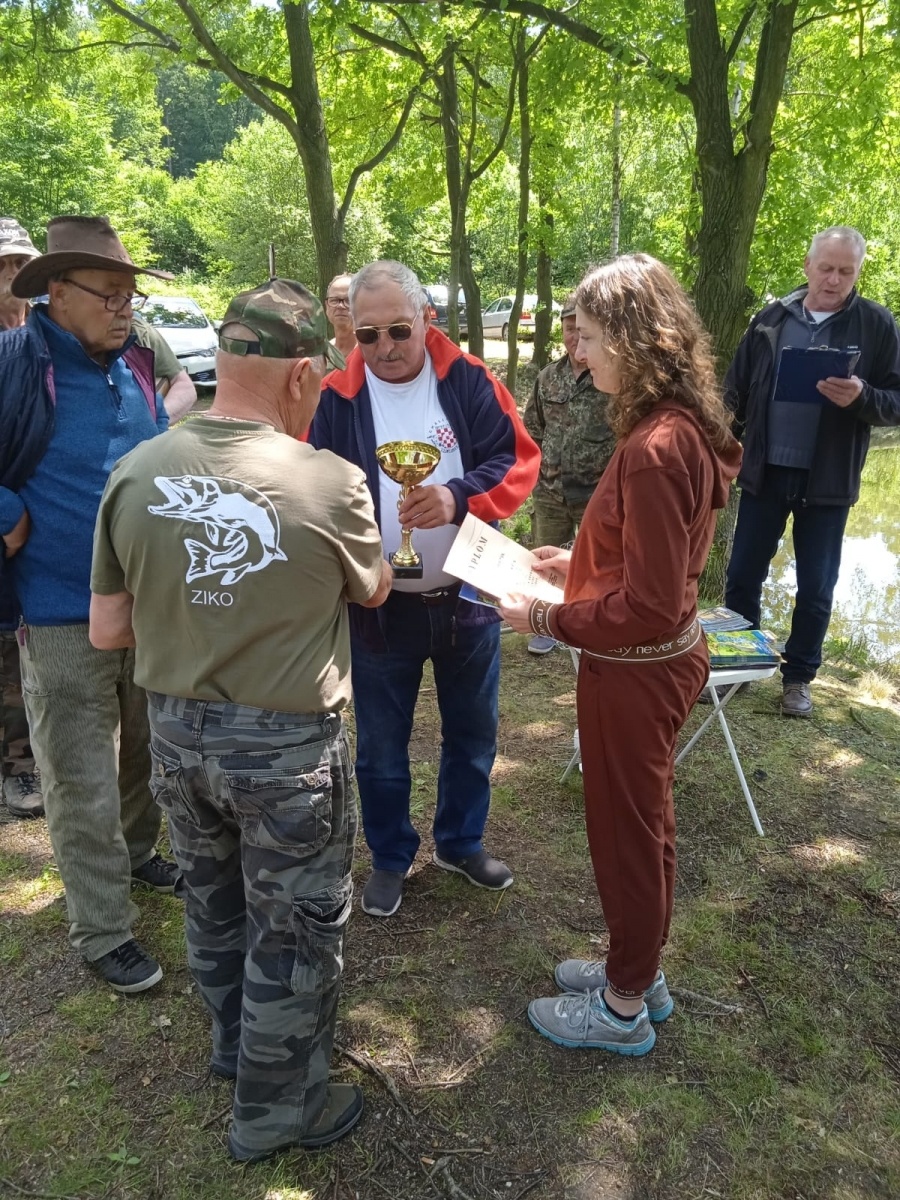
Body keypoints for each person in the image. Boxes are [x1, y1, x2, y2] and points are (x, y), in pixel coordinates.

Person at [90, 278, 391, 1161]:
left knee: (214, 902)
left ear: (221, 364)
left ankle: (233, 1047)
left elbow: (109, 628)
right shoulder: (326, 480)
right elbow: (372, 589)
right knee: (296, 925)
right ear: (302, 377)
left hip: (178, 736)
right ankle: (274, 1112)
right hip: (287, 748)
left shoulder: (136, 470)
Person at [499, 254, 741, 1056]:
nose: (579, 353)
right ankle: (639, 968)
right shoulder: (671, 425)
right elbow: (651, 563)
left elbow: (647, 604)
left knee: (627, 834)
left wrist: (542, 613)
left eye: (593, 337)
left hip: (637, 671)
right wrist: (578, 562)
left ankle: (623, 1005)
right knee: (645, 825)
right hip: (650, 661)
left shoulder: (657, 445)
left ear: (639, 340)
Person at [310, 259, 540, 918]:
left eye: (399, 332)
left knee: (473, 733)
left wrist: (456, 495)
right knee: (381, 746)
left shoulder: (468, 380)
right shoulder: (336, 396)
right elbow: (311, 486)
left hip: (467, 594)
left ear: (427, 321)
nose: (385, 349)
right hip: (380, 605)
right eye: (369, 335)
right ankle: (389, 857)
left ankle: (461, 842)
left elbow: (518, 460)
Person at [1, 215, 179, 993]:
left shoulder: (136, 359)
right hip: (59, 605)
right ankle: (103, 927)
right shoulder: (12, 361)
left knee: (143, 747)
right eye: (109, 294)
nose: (124, 306)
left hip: (145, 604)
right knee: (78, 774)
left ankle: (138, 853)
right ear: (56, 294)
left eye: (129, 293)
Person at [724, 225, 900, 718]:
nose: (834, 279)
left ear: (858, 272)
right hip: (764, 472)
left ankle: (797, 678)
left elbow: (896, 401)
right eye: (826, 268)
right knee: (742, 575)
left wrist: (863, 396)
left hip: (827, 481)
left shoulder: (876, 325)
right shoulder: (770, 320)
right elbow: (732, 391)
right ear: (807, 266)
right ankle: (737, 666)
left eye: (846, 271)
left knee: (817, 586)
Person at [522, 291, 615, 654]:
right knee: (546, 559)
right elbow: (533, 429)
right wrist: (535, 473)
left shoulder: (608, 376)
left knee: (597, 560)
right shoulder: (549, 378)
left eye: (581, 328)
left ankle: (592, 622)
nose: (574, 336)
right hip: (551, 489)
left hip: (596, 490)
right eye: (568, 328)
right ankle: (546, 623)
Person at [0, 218, 44, 817]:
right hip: (9, 523)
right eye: (3, 266)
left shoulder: (45, 338)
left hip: (41, 530)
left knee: (22, 639)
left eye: (19, 265)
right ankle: (18, 768)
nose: (13, 276)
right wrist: (7, 515)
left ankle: (27, 761)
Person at [131, 313, 197, 421]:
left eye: (129, 298)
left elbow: (183, 385)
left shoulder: (140, 332)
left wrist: (156, 422)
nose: (126, 311)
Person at [325, 272, 356, 358]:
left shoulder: (370, 355)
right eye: (334, 300)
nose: (340, 306)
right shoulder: (319, 356)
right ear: (326, 306)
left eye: (348, 300)